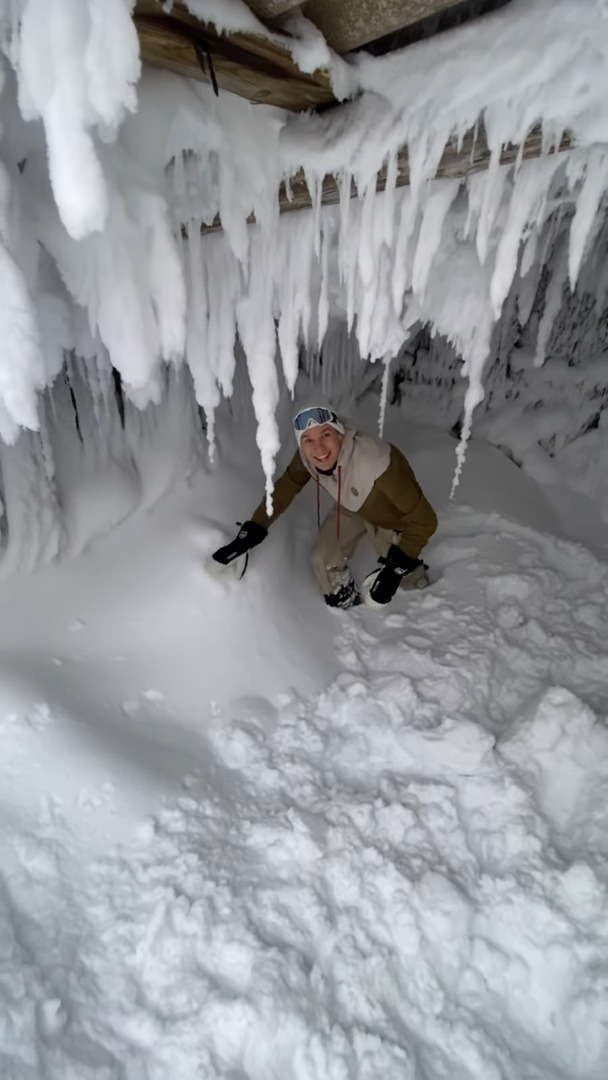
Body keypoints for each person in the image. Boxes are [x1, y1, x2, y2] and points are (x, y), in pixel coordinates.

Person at [210, 406, 437, 609]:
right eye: (307, 439)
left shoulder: (377, 462)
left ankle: (416, 586)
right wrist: (254, 528)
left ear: (341, 435)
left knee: (400, 568)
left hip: (392, 517)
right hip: (353, 505)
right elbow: (288, 485)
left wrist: (394, 571)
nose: (317, 447)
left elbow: (425, 519)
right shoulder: (308, 456)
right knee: (323, 558)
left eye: (325, 435)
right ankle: (343, 597)